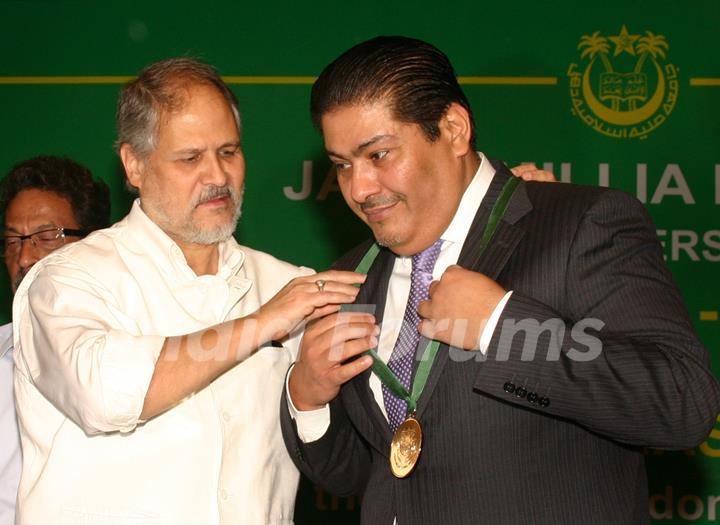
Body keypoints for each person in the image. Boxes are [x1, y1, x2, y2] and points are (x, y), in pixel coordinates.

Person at [282, 36, 720, 524]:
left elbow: (682, 403)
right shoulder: (350, 278)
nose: (359, 188)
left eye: (379, 155)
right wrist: (308, 397)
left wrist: (500, 325)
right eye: (342, 165)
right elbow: (367, 475)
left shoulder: (579, 224)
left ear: (453, 129)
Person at [12, 58, 363, 525]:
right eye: (190, 158)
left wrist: (311, 394)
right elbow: (104, 393)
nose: (217, 176)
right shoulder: (65, 280)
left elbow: (344, 451)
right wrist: (260, 324)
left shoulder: (288, 284)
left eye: (229, 152)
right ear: (134, 164)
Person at [0, 155, 111, 525]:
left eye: (47, 237)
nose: (26, 256)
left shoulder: (136, 355)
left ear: (95, 245)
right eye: (13, 240)